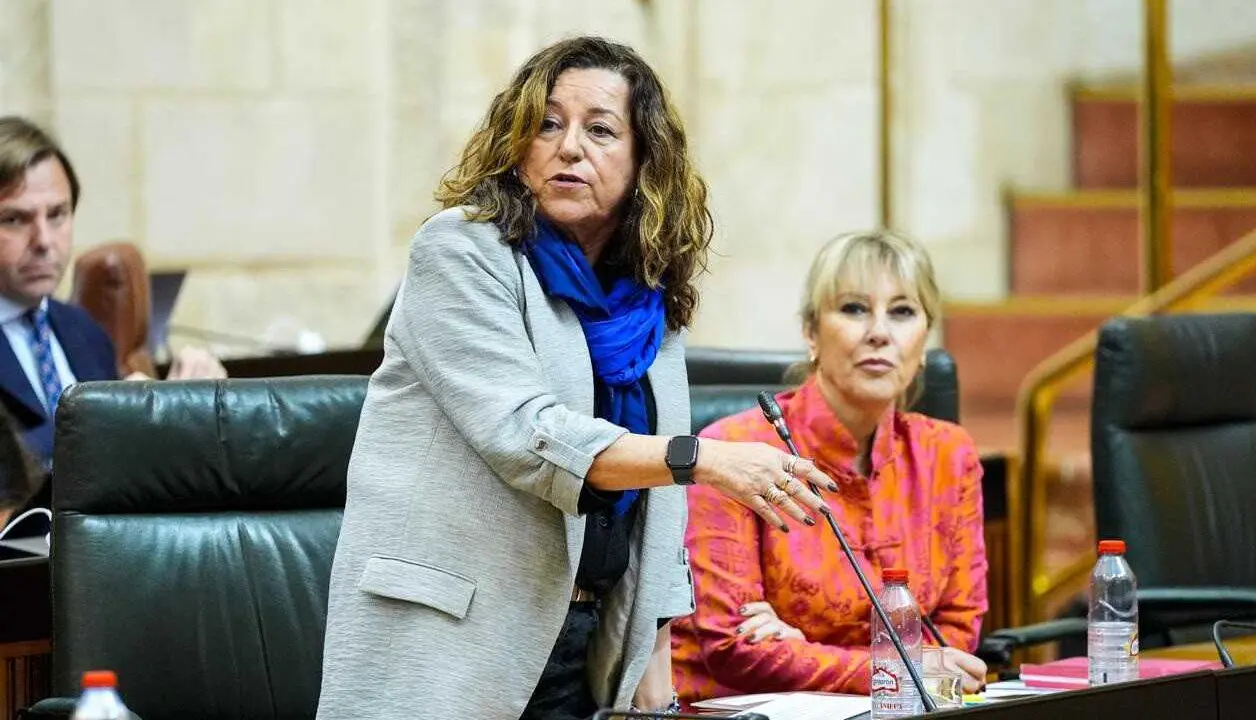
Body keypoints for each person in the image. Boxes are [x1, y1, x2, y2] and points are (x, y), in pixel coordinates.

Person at [316, 36, 834, 720]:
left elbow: (657, 507)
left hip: (580, 645)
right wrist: (700, 458)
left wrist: (654, 654)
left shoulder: (646, 294)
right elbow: (528, 436)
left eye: (599, 130)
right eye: (548, 124)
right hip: (446, 642)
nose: (568, 147)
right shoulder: (460, 252)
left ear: (644, 160)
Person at [672, 230, 990, 704]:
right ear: (811, 332)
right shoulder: (733, 449)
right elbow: (737, 647)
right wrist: (890, 668)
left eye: (902, 311)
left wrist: (803, 651)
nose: (880, 332)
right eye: (854, 309)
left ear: (925, 340)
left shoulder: (948, 453)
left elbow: (954, 638)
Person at [0, 116, 226, 472]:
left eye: (57, 214)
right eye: (15, 219)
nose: (44, 240)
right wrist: (113, 420)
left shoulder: (84, 331)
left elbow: (124, 471)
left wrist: (185, 412)